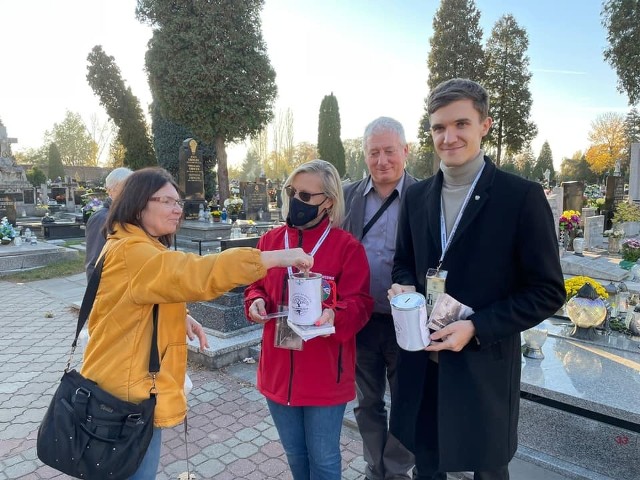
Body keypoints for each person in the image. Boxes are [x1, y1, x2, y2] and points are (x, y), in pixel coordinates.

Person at [80, 167, 313, 479]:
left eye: (179, 202)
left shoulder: (131, 243)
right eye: (167, 201)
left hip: (118, 386)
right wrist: (273, 258)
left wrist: (181, 316)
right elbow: (198, 271)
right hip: (126, 400)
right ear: (138, 204)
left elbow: (134, 297)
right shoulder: (134, 252)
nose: (178, 209)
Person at [388, 78, 565, 480]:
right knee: (427, 467)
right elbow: (403, 263)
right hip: (423, 360)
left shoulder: (520, 197)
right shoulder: (416, 197)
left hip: (482, 366)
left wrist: (477, 326)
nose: (448, 137)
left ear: (484, 125)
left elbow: (547, 290)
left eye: (461, 124)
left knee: (488, 471)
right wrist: (406, 287)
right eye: (438, 127)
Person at [245, 159, 374, 480]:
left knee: (324, 459)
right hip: (277, 371)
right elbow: (255, 284)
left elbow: (360, 303)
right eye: (291, 192)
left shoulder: (347, 248)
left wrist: (335, 313)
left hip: (325, 373)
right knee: (295, 455)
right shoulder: (270, 242)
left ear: (328, 201)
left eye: (306, 196)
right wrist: (256, 300)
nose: (295, 201)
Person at [342, 117, 416, 480]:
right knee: (368, 402)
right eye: (374, 152)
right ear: (364, 154)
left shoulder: (426, 195)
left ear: (405, 151)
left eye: (389, 151)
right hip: (362, 321)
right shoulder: (347, 196)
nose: (382, 160)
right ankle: (376, 467)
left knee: (407, 403)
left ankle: (398, 471)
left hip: (409, 324)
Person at [84, 167, 132, 281]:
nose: (132, 192)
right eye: (127, 187)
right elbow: (95, 263)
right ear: (111, 190)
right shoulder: (102, 218)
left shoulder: (127, 215)